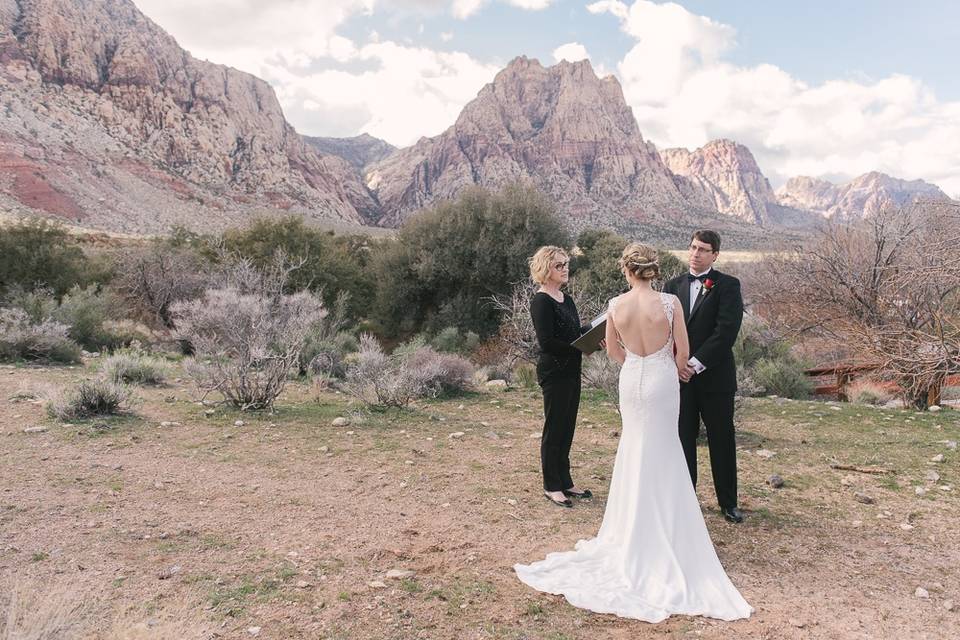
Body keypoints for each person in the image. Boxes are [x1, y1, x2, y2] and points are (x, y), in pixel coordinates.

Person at [514, 243, 752, 622]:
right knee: (664, 447)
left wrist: (634, 364)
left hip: (632, 380)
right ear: (653, 271)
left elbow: (611, 349)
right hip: (660, 379)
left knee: (634, 447)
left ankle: (628, 532)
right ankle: (668, 532)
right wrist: (664, 365)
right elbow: (681, 353)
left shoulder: (616, 304)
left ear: (627, 271)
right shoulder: (670, 303)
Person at [663, 230, 745, 523]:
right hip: (679, 380)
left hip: (715, 378)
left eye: (703, 250)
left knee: (721, 439)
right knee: (683, 439)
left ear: (715, 255)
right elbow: (666, 330)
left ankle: (728, 503)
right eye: (693, 247)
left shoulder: (728, 286)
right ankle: (687, 500)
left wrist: (694, 363)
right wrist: (676, 365)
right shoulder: (671, 286)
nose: (696, 254)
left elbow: (726, 332)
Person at [528, 246, 591, 508]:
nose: (565, 269)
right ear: (545, 269)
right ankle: (551, 485)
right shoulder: (541, 300)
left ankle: (565, 481)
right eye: (559, 265)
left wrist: (593, 333)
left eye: (566, 264)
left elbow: (574, 333)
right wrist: (580, 346)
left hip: (572, 370)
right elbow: (547, 342)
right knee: (554, 428)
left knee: (567, 427)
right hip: (554, 371)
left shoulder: (567, 299)